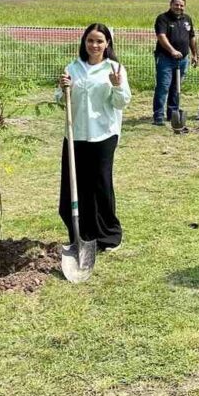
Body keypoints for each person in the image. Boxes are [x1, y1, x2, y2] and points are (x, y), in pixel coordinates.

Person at [56, 24, 131, 252]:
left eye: (99, 41)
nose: (94, 45)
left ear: (107, 43)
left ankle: (108, 235)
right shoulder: (73, 67)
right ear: (84, 42)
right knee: (75, 185)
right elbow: (61, 100)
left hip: (103, 134)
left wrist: (117, 86)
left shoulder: (115, 68)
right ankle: (82, 234)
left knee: (100, 184)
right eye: (90, 40)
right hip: (76, 134)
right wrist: (63, 89)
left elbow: (122, 102)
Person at [152, 0, 198, 126]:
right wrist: (172, 50)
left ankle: (173, 113)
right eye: (176, 5)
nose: (179, 7)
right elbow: (161, 36)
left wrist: (195, 54)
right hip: (165, 58)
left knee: (176, 87)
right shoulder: (163, 18)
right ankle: (158, 116)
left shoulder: (187, 19)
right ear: (171, 4)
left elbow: (192, 37)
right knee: (163, 86)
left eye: (181, 5)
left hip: (182, 60)